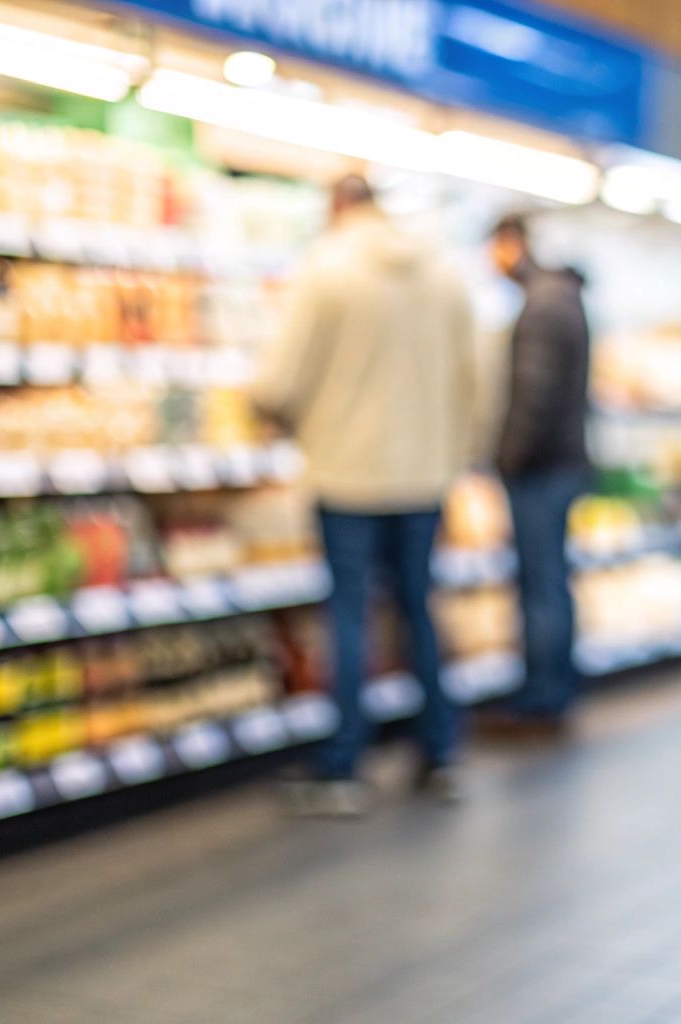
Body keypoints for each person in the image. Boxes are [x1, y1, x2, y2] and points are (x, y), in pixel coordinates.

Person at [251, 174, 477, 814]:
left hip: (347, 471)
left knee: (349, 614)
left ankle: (345, 764)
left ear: (336, 207)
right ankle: (439, 754)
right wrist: (453, 452)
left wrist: (284, 417)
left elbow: (278, 378)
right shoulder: (443, 273)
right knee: (418, 608)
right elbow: (474, 378)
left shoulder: (325, 269)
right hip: (425, 473)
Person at [484, 213, 591, 731]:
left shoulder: (542, 305)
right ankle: (556, 687)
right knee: (553, 580)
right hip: (561, 463)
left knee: (541, 583)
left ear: (509, 245)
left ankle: (542, 694)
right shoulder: (563, 297)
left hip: (541, 469)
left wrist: (508, 459)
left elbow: (535, 396)